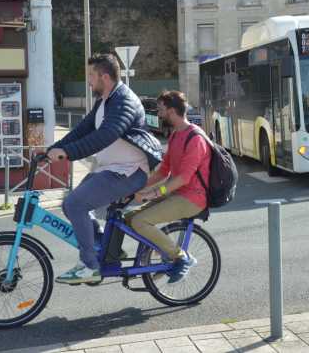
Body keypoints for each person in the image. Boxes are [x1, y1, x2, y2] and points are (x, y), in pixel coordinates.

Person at [47, 53, 162, 285]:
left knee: (75, 204)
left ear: (105, 77)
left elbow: (105, 135)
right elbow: (82, 130)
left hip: (129, 172)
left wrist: (68, 154)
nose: (88, 80)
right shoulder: (105, 100)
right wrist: (52, 149)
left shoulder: (124, 101)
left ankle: (90, 265)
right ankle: (105, 247)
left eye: (91, 75)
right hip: (110, 169)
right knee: (69, 204)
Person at [130, 90, 211, 283]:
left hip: (192, 198)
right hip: (176, 193)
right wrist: (137, 187)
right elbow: (162, 172)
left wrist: (154, 193)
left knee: (140, 222)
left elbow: (183, 178)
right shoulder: (175, 136)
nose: (158, 114)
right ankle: (166, 253)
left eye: (161, 110)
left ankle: (181, 257)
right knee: (128, 218)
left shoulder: (195, 139)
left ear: (172, 111)